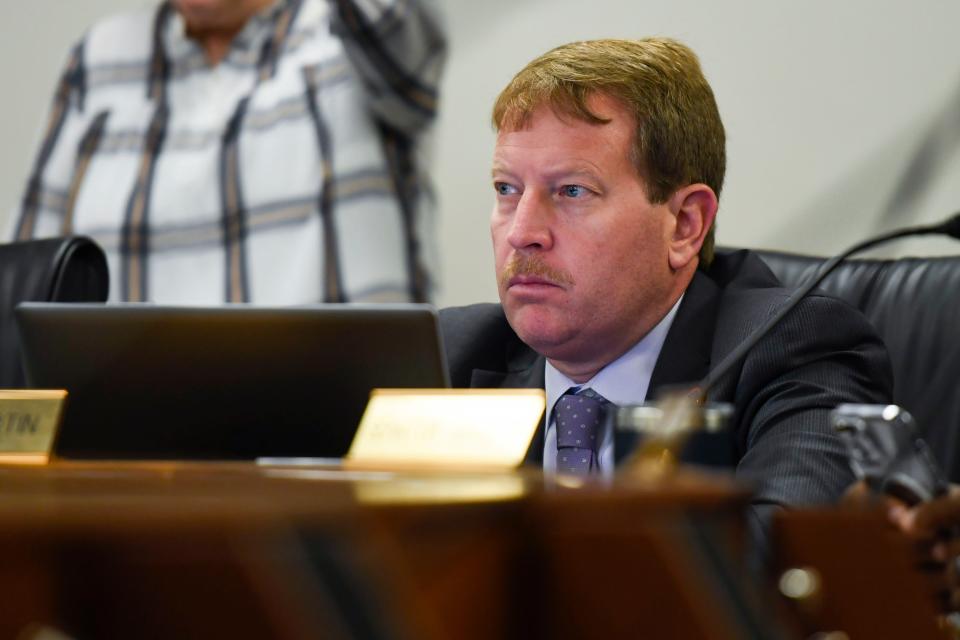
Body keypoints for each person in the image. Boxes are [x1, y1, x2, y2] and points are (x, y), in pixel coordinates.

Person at [439, 38, 892, 524]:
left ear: (685, 224)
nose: (523, 233)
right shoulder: (450, 360)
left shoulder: (793, 349)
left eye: (572, 190)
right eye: (507, 189)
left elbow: (773, 560)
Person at [12, 0, 446, 304]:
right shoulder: (97, 60)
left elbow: (399, 27)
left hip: (334, 419)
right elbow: (26, 284)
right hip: (131, 426)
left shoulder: (350, 36)